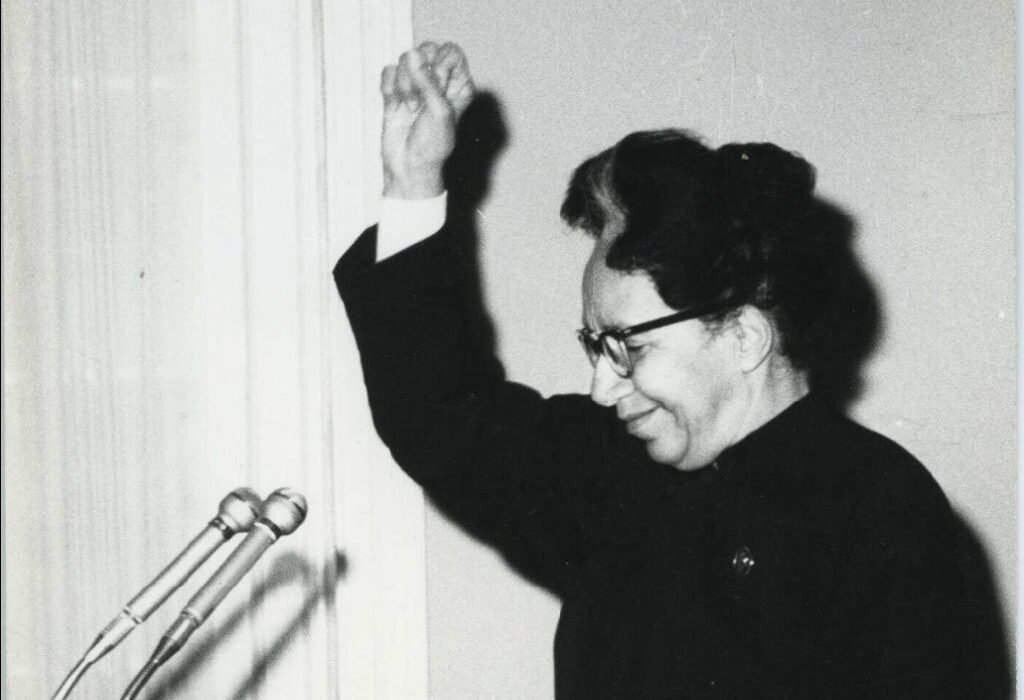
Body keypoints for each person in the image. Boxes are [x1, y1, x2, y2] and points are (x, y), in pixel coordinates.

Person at [335, 42, 972, 699]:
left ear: (744, 337)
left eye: (628, 347)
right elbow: (443, 418)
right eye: (596, 345)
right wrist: (413, 180)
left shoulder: (880, 508)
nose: (601, 387)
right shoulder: (614, 470)